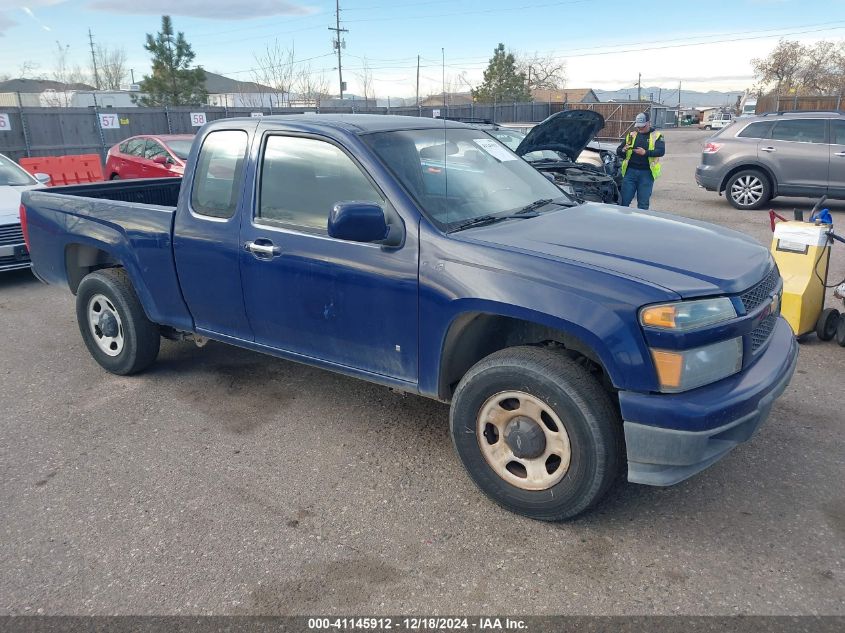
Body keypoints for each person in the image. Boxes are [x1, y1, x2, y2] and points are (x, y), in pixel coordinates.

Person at [616, 112, 665, 210]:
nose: (640, 129)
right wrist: (623, 150)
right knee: (623, 202)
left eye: (642, 126)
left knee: (643, 204)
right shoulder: (631, 135)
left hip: (646, 173)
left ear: (648, 123)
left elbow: (661, 151)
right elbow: (619, 151)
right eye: (638, 126)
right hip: (630, 173)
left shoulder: (657, 136)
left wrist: (645, 153)